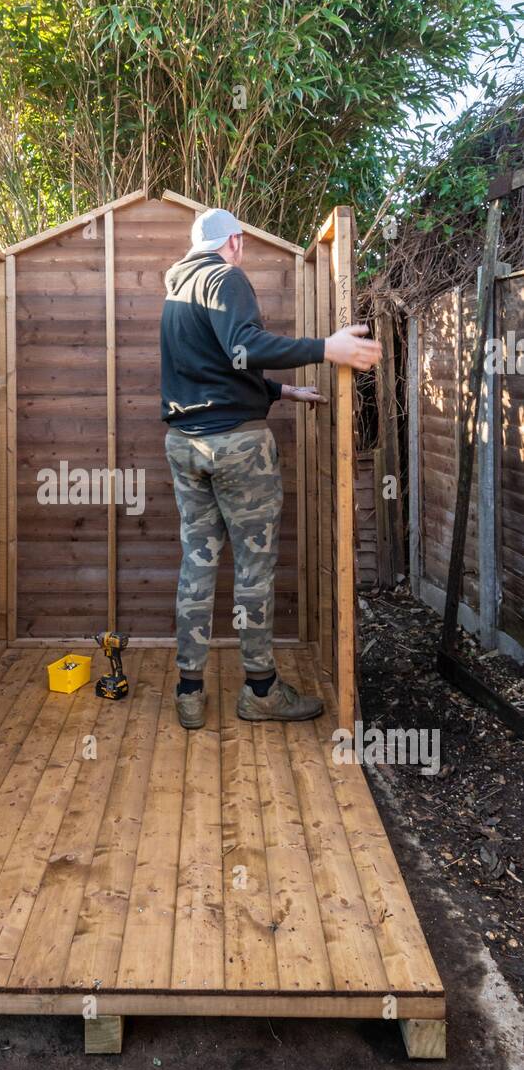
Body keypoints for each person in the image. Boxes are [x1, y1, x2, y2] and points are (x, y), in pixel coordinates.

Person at [160, 207, 381, 729]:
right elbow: (245, 348)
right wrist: (328, 348)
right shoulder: (225, 277)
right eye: (243, 244)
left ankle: (189, 691)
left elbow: (211, 368)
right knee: (253, 571)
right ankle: (260, 690)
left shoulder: (177, 292)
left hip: (185, 446)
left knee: (197, 563)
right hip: (237, 447)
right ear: (233, 241)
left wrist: (282, 391)